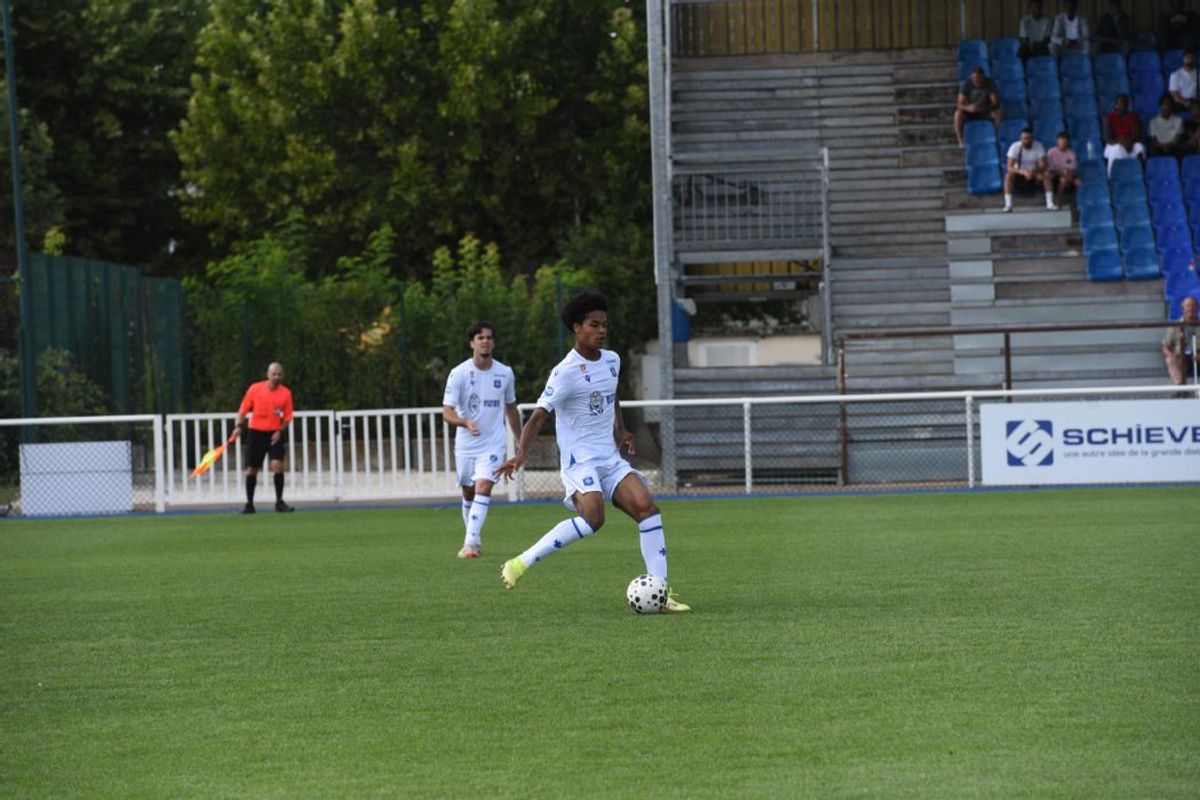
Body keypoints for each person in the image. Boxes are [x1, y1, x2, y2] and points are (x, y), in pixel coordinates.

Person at [493, 292, 689, 613]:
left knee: (648, 509)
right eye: (594, 325)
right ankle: (520, 563)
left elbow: (611, 395)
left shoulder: (612, 360)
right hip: (579, 460)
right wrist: (521, 453)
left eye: (604, 325)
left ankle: (661, 593)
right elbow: (539, 415)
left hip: (609, 458)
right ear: (577, 327)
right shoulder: (565, 372)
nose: (601, 330)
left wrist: (622, 429)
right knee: (593, 519)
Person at [441, 322, 520, 559]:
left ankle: (471, 543)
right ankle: (473, 538)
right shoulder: (459, 373)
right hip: (466, 445)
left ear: (493, 342)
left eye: (489, 337)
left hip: (493, 443)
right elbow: (447, 412)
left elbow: (511, 408)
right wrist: (464, 422)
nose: (485, 341)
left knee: (483, 486)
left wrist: (521, 440)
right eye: (480, 337)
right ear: (472, 343)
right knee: (468, 492)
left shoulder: (505, 373)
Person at [231, 362, 294, 514]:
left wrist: (280, 430)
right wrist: (238, 426)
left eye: (279, 374)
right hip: (256, 433)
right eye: (274, 374)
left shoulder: (286, 393)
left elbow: (287, 417)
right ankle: (249, 504)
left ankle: (279, 502)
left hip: (274, 434)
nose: (276, 377)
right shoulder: (255, 389)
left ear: (283, 375)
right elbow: (243, 410)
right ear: (268, 374)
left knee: (277, 465)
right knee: (252, 469)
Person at [1003, 127, 1049, 212]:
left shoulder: (1038, 146)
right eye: (1024, 138)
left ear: (1032, 138)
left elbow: (1042, 165)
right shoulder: (1015, 147)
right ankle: (1008, 205)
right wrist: (1023, 171)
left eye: (1028, 138)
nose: (1026, 140)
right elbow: (1009, 167)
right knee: (1008, 175)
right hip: (1019, 173)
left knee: (1046, 174)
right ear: (1021, 139)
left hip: (1034, 173)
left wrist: (1033, 172)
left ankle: (1050, 203)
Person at [955, 66, 1001, 148]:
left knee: (997, 113)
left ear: (982, 77)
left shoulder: (990, 83)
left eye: (978, 78)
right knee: (958, 114)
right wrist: (968, 108)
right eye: (973, 78)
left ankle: (996, 137)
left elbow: (994, 101)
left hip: (985, 109)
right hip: (971, 111)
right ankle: (961, 141)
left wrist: (985, 107)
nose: (975, 80)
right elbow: (959, 103)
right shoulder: (967, 84)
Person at [1102, 94, 1147, 174]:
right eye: (1121, 102)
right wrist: (1121, 142)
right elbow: (1107, 138)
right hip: (1113, 145)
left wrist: (1130, 141)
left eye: (1125, 102)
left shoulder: (1133, 117)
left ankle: (1139, 174)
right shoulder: (1108, 117)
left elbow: (1138, 136)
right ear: (1116, 105)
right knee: (1118, 149)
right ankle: (1113, 175)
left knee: (1140, 147)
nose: (1123, 104)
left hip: (1130, 143)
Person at [1162, 295, 1199, 385]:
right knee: (1170, 360)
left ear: (1197, 308)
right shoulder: (1175, 326)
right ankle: (1180, 387)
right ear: (1183, 309)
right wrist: (1172, 356)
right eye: (1188, 306)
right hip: (1181, 357)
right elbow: (1165, 347)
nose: (1191, 309)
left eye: (1193, 306)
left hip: (1198, 356)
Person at [1045, 131, 1079, 211]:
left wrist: (1068, 178)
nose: (1062, 144)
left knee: (1069, 181)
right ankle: (1052, 202)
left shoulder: (1071, 154)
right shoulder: (1051, 152)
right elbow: (1049, 167)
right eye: (1061, 142)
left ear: (1068, 143)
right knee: (1048, 176)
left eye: (1065, 142)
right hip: (1054, 173)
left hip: (1067, 174)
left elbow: (1071, 170)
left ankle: (1060, 203)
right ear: (1057, 142)